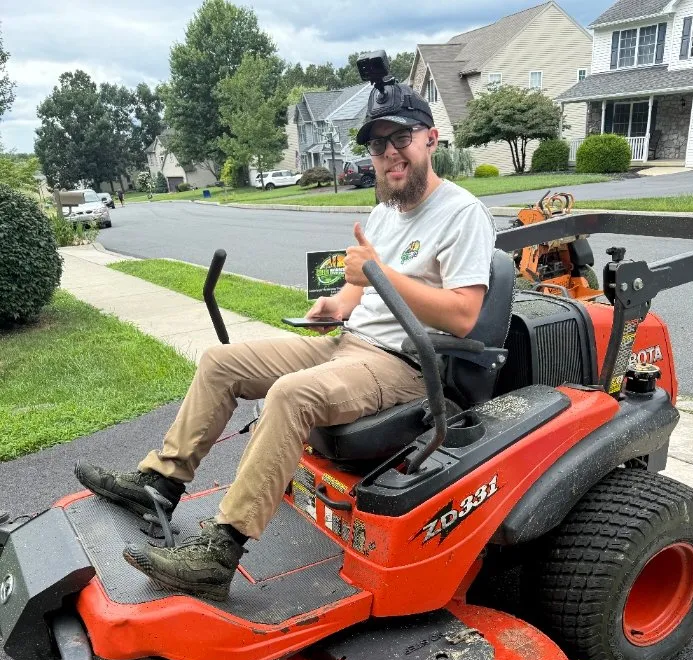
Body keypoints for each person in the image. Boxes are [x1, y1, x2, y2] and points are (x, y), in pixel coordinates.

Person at [74, 84, 497, 602]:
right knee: (220, 361)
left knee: (291, 394)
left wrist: (377, 273)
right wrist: (338, 304)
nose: (389, 151)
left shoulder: (462, 213)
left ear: (431, 138)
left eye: (401, 136)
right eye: (377, 142)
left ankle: (220, 552)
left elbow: (463, 315)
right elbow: (360, 284)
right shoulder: (387, 208)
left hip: (406, 363)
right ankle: (158, 485)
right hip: (348, 343)